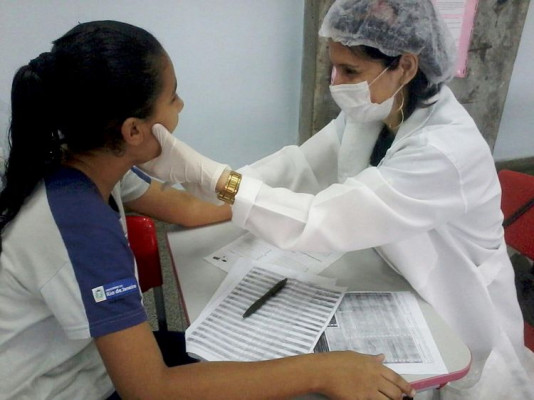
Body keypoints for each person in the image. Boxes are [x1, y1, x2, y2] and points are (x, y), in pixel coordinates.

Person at [0, 20, 415, 400]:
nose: (180, 106)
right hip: (70, 389)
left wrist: (255, 204)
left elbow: (186, 208)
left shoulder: (88, 160)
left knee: (254, 363)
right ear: (133, 130)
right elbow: (150, 389)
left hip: (90, 364)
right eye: (172, 97)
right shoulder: (81, 230)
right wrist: (321, 371)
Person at [139, 1, 534, 399]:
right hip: (391, 272)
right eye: (334, 67)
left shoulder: (445, 152)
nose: (336, 83)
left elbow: (323, 219)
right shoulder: (378, 111)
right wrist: (211, 181)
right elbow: (300, 166)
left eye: (350, 71)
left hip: (452, 305)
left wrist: (216, 179)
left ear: (405, 66)